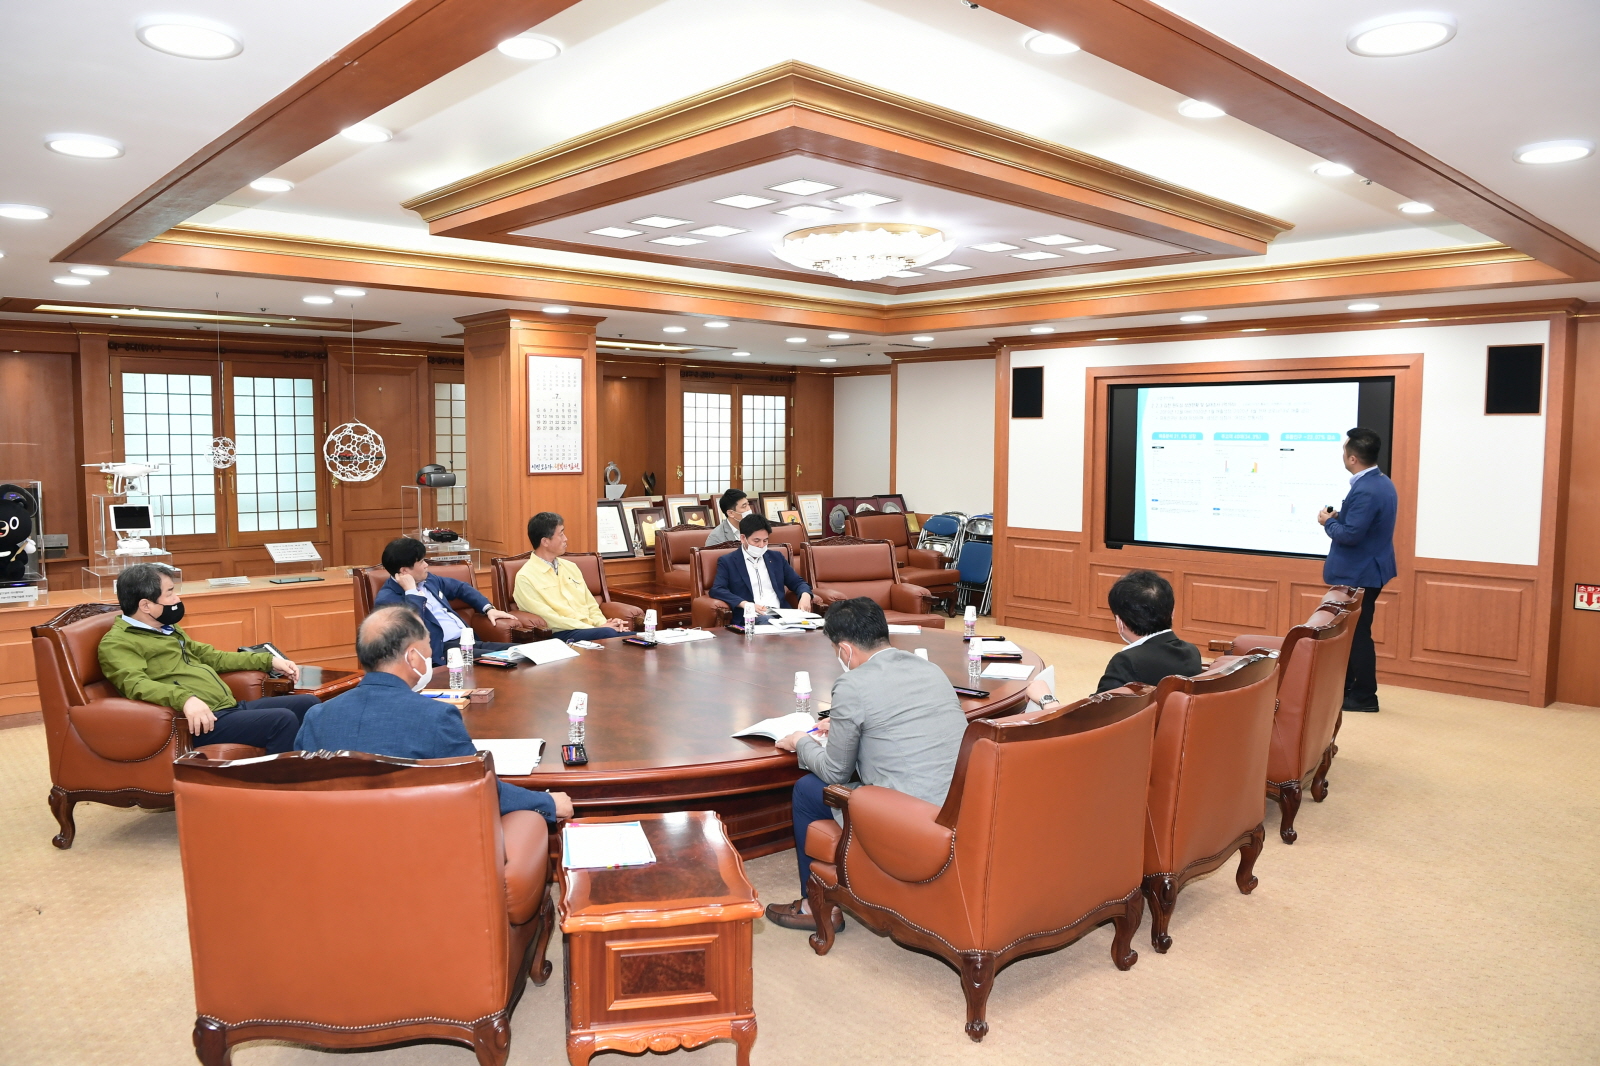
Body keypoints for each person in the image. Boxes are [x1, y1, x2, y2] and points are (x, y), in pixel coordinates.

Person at [764, 597, 968, 929]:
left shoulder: (852, 684)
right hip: (960, 805)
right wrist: (843, 725)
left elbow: (835, 772)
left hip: (911, 816)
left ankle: (815, 908)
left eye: (835, 649)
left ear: (845, 650)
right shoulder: (928, 668)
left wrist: (800, 741)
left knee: (807, 789)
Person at [295, 606, 572, 821]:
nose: (431, 653)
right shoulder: (435, 717)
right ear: (412, 656)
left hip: (333, 852)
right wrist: (547, 802)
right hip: (417, 850)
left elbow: (300, 794)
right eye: (428, 645)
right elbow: (479, 788)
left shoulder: (316, 717)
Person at [97, 562, 316, 754]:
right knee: (282, 720)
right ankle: (280, 784)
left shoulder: (168, 628)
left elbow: (211, 657)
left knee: (309, 704)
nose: (177, 599)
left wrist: (267, 661)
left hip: (228, 708)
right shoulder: (117, 643)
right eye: (170, 593)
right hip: (196, 722)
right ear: (146, 605)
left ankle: (318, 771)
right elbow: (136, 684)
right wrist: (185, 699)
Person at [1318, 427, 1398, 712]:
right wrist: (1341, 516)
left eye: (1344, 451)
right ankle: (1351, 689)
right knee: (1354, 633)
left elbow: (1351, 535)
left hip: (1360, 572)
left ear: (1352, 458)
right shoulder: (1380, 481)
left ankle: (1364, 696)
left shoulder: (1366, 488)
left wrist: (1328, 522)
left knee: (1357, 635)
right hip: (1368, 569)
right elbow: (1364, 524)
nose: (1343, 455)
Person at [373, 537, 518, 665]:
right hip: (443, 652)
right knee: (509, 659)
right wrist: (411, 592)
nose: (426, 565)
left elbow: (461, 588)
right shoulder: (387, 600)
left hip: (469, 642)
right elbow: (412, 629)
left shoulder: (428, 580)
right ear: (404, 571)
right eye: (422, 561)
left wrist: (488, 608)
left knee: (521, 651)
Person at [513, 511, 634, 642]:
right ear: (545, 541)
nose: (566, 539)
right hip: (561, 633)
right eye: (561, 534)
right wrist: (594, 629)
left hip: (592, 630)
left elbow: (591, 605)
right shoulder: (525, 577)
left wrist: (604, 623)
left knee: (635, 637)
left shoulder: (571, 567)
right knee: (619, 637)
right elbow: (549, 619)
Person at [1095, 569, 1203, 692]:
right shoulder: (1192, 651)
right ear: (1172, 613)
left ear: (1119, 621)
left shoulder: (1126, 662)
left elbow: (1101, 703)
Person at [709, 513, 812, 624]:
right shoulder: (728, 561)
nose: (761, 545)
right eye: (756, 541)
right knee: (766, 621)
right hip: (753, 616)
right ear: (743, 538)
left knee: (812, 625)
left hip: (781, 614)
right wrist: (745, 604)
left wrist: (805, 595)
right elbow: (717, 589)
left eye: (765, 540)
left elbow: (798, 583)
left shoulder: (776, 558)